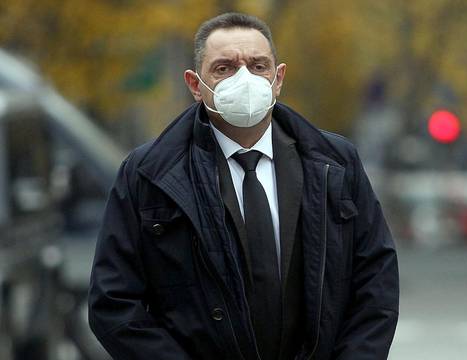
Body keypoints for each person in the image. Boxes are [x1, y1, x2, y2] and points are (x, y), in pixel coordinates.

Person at [88, 12, 399, 360]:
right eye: (224, 68)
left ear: (278, 78)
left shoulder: (335, 165)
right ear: (195, 84)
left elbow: (376, 281)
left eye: (258, 65)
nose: (244, 78)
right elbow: (114, 303)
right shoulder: (148, 175)